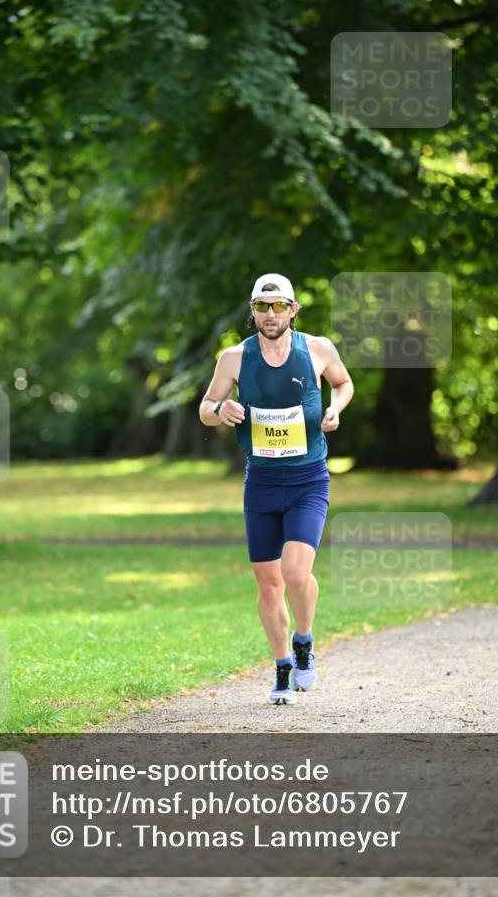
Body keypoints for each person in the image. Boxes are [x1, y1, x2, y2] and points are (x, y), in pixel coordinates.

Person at [199, 273, 354, 705]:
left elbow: (343, 382)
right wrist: (219, 408)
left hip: (308, 480)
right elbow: (205, 410)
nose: (271, 314)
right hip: (261, 481)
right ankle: (283, 667)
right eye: (263, 307)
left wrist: (334, 407)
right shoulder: (233, 358)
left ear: (293, 309)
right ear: (252, 311)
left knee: (296, 573)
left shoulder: (318, 349)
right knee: (268, 584)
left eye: (279, 306)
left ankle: (304, 641)